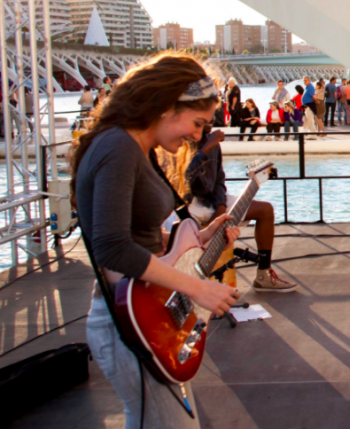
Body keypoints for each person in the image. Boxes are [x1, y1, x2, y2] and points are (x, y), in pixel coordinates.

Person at [72, 53, 241, 428]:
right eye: (197, 123)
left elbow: (140, 238)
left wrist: (202, 237)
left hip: (147, 314)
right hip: (129, 322)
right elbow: (112, 248)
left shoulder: (135, 148)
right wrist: (197, 288)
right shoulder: (117, 148)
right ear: (167, 106)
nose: (198, 136)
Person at [172, 124, 296, 292]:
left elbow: (219, 179)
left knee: (265, 210)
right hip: (187, 203)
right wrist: (206, 149)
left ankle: (263, 275)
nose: (212, 120)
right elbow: (184, 179)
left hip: (212, 200)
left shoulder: (212, 139)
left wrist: (221, 206)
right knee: (182, 233)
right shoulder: (180, 140)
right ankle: (183, 286)